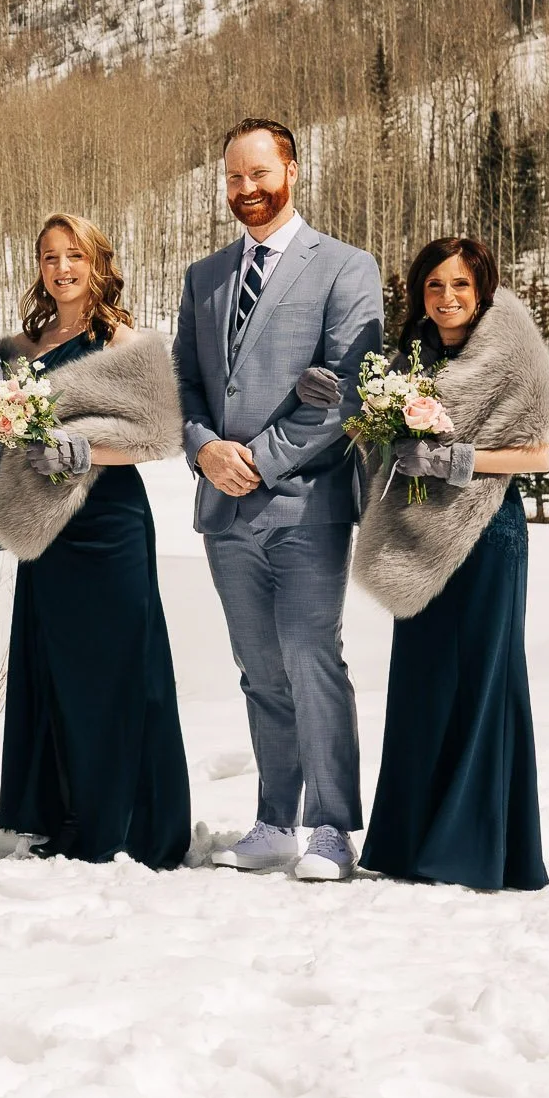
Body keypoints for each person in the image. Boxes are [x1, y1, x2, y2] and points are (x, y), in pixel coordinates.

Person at [174, 118, 384, 882]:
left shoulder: (346, 268)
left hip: (307, 503)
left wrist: (257, 459)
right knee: (259, 668)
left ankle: (331, 826)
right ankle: (274, 819)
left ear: (292, 169)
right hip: (223, 509)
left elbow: (345, 389)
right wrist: (203, 447)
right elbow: (186, 385)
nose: (246, 190)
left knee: (309, 655)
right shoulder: (203, 277)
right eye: (233, 178)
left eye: (259, 174)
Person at [0, 215, 189, 868]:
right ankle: (63, 814)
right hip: (47, 527)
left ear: (96, 262)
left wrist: (87, 452)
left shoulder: (123, 339)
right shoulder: (22, 348)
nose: (62, 268)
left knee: (119, 671)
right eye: (49, 257)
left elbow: (161, 435)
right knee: (57, 670)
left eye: (74, 255)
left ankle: (131, 824)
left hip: (110, 524)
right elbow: (13, 439)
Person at [350, 238, 549, 891]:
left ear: (482, 289)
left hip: (486, 534)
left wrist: (456, 461)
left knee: (484, 682)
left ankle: (470, 850)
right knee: (422, 681)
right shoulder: (406, 361)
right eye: (435, 286)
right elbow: (372, 449)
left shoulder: (509, 360)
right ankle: (410, 845)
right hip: (419, 536)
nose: (447, 298)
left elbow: (536, 457)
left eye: (460, 286)